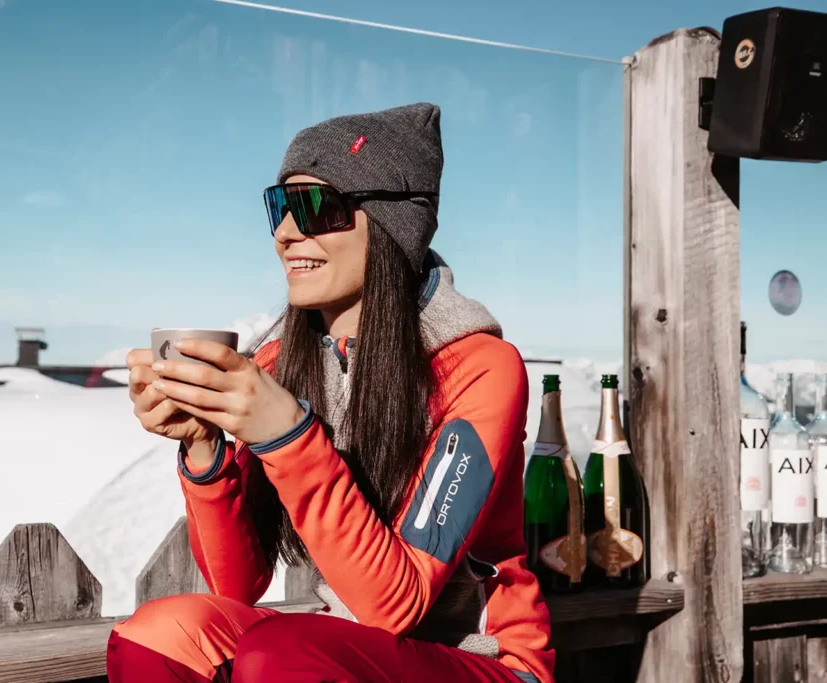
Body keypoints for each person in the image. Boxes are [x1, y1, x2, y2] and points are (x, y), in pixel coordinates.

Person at [112, 103, 553, 682]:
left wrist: (287, 437)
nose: (286, 234)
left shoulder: (478, 367)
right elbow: (237, 586)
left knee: (281, 657)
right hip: (343, 650)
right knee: (157, 636)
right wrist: (203, 448)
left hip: (483, 662)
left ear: (396, 224)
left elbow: (397, 605)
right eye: (279, 207)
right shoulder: (282, 362)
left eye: (317, 208)